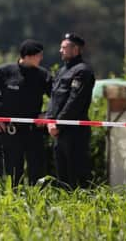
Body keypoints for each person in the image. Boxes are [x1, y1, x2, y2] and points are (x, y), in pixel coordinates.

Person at [0, 40, 52, 186]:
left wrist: (47, 114)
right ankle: (14, 203)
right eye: (38, 55)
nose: (41, 59)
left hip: (34, 131)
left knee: (37, 171)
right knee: (13, 172)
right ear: (27, 56)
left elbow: (57, 97)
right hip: (10, 131)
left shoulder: (42, 75)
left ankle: (38, 202)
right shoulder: (5, 72)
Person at [46, 33, 95, 189]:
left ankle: (83, 207)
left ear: (76, 49)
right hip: (60, 131)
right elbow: (54, 98)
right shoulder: (62, 71)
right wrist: (49, 120)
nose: (60, 50)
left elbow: (75, 101)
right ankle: (67, 206)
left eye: (64, 47)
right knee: (63, 175)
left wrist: (58, 124)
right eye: (60, 47)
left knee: (77, 172)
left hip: (74, 131)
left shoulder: (83, 71)